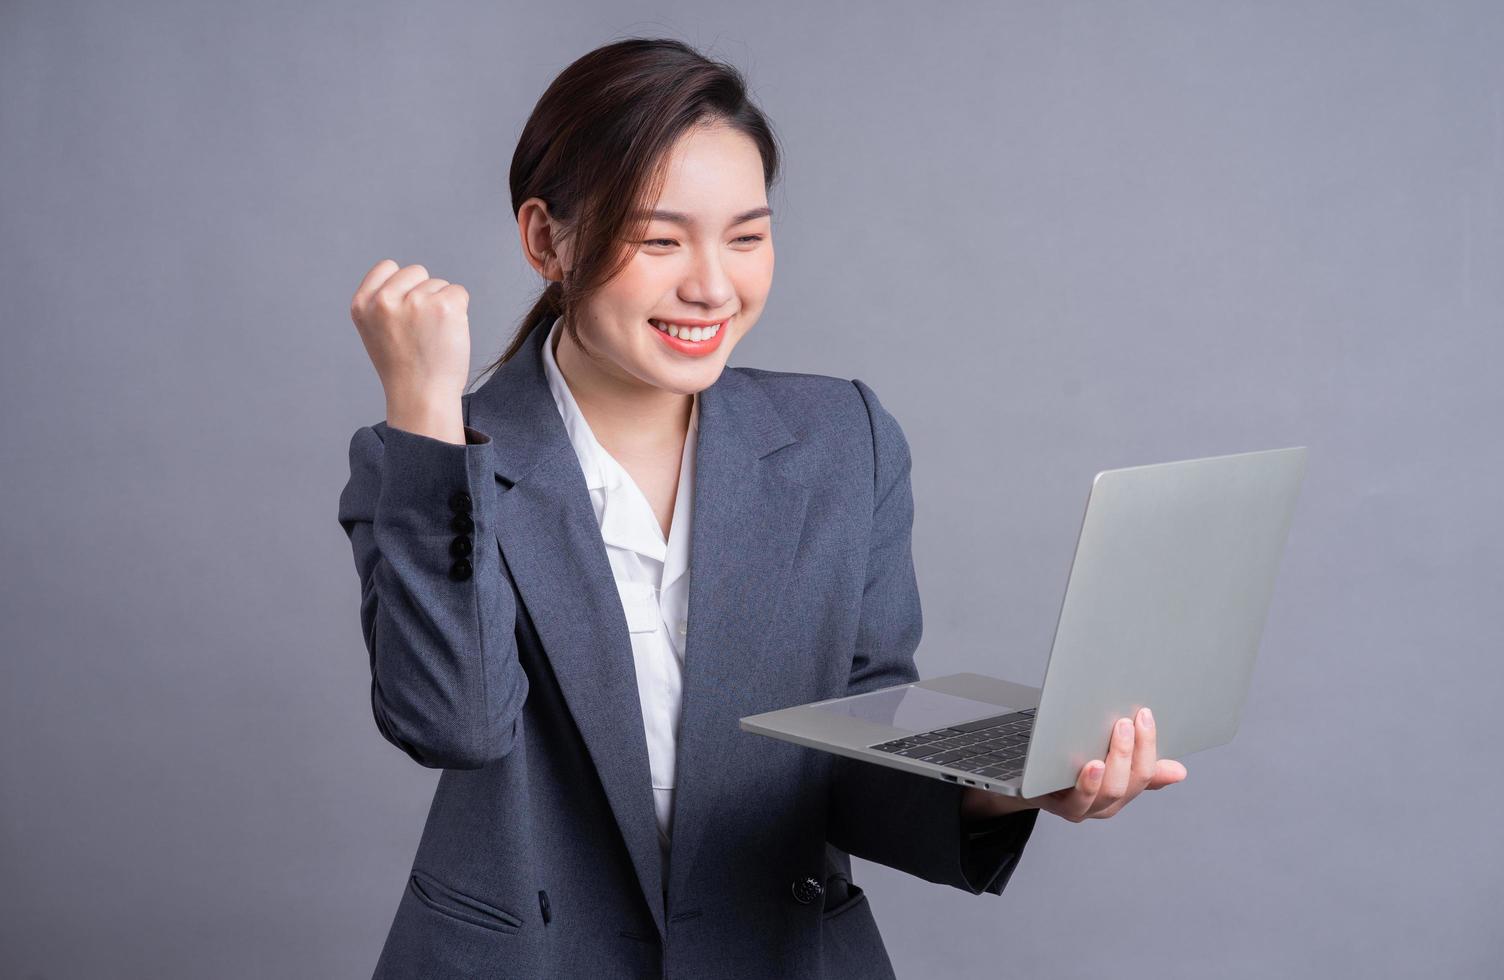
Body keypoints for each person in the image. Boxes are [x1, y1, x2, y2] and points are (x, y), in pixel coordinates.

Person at [338, 36, 1187, 980]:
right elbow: (454, 723)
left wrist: (1012, 788)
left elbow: (851, 747)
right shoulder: (428, 465)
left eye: (746, 236)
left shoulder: (841, 440)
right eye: (659, 239)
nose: (711, 285)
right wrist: (425, 417)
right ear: (546, 240)